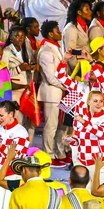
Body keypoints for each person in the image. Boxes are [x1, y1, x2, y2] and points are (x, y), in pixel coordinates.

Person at [37, 20, 67, 167]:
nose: (60, 32)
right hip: (51, 92)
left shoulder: (56, 48)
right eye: (57, 30)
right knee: (51, 125)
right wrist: (67, 85)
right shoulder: (46, 51)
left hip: (60, 91)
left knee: (61, 124)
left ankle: (60, 151)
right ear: (50, 34)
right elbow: (50, 77)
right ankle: (48, 154)